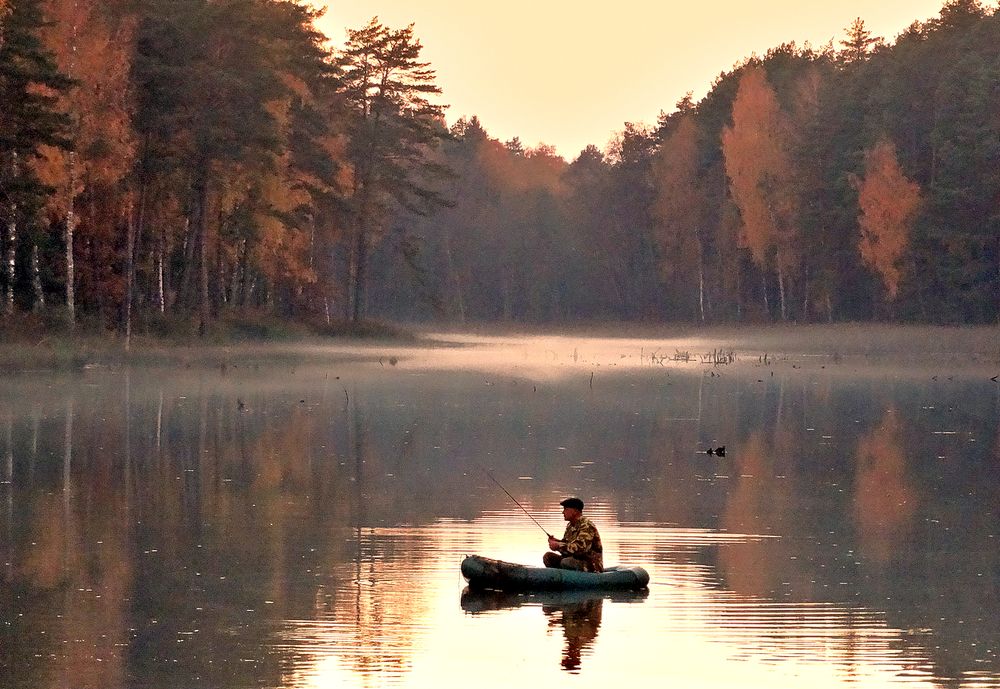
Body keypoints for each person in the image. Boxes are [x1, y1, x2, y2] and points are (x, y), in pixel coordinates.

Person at [543, 497, 604, 572]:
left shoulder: (586, 525)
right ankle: (557, 579)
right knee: (548, 557)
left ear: (575, 511)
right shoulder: (570, 525)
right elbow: (567, 545)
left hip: (591, 565)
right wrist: (557, 543)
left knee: (566, 562)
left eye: (566, 509)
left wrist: (559, 545)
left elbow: (581, 548)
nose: (563, 512)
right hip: (573, 560)